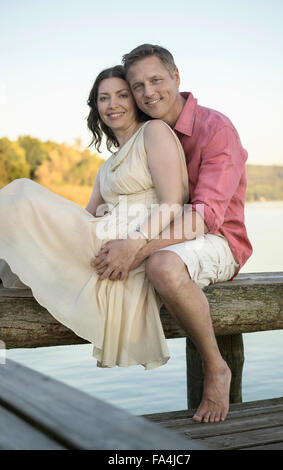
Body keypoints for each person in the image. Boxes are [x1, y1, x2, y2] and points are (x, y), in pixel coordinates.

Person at [91, 45, 253, 423]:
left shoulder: (215, 128)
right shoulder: (146, 135)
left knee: (162, 266)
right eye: (138, 86)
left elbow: (206, 215)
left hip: (218, 240)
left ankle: (216, 367)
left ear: (176, 77)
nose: (148, 93)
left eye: (156, 80)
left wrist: (138, 247)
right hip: (158, 237)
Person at [0, 65, 189, 371]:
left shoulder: (153, 133)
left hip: (132, 242)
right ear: (96, 106)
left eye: (122, 95)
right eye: (103, 98)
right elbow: (87, 215)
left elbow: (172, 203)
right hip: (103, 235)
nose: (112, 104)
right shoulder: (108, 165)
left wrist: (133, 244)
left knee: (21, 193)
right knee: (17, 230)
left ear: (135, 100)